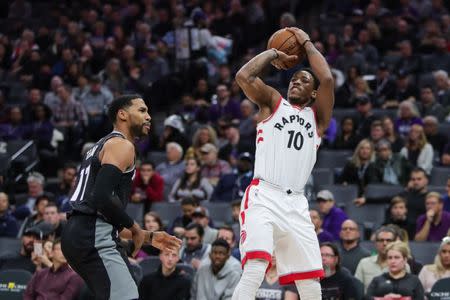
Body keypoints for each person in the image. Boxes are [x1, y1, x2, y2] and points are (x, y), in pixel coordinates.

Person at [232, 27, 334, 299]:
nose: (296, 82)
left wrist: (306, 42)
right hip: (264, 195)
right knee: (256, 267)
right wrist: (274, 53)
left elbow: (326, 78)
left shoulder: (318, 120)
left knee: (310, 281)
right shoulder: (273, 103)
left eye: (303, 80)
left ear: (314, 93)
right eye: (293, 79)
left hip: (297, 203)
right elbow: (244, 76)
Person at [61, 94, 181, 300]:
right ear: (122, 115)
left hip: (77, 233)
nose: (149, 116)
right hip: (92, 235)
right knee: (126, 296)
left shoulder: (97, 147)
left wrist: (147, 236)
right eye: (142, 110)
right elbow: (101, 198)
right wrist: (135, 229)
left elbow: (98, 211)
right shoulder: (122, 145)